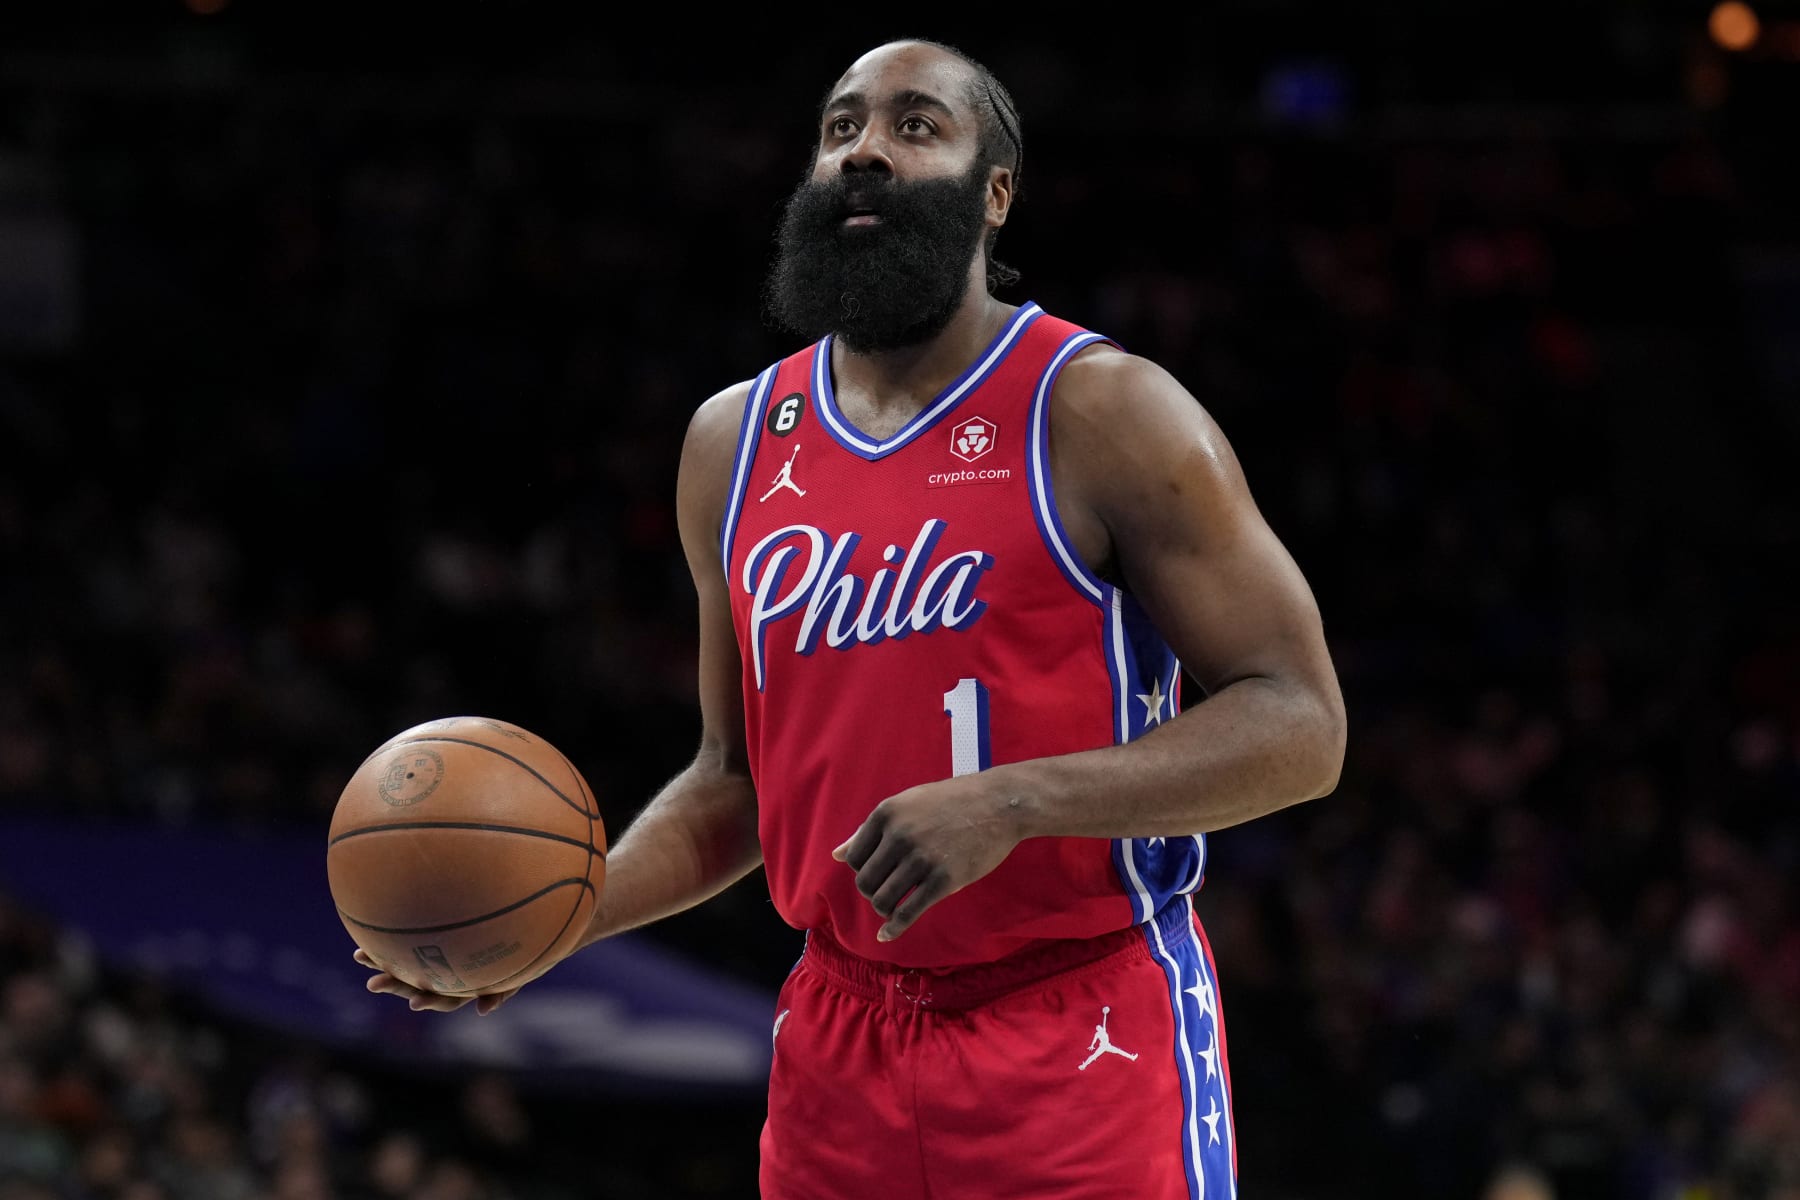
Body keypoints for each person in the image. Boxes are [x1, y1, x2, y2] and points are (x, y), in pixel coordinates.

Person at [357, 37, 1346, 1199]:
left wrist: (1017, 802)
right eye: (841, 128)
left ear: (995, 193)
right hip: (839, 1042)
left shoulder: (1104, 412)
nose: (865, 150)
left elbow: (1301, 722)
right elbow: (735, 783)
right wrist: (557, 920)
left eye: (915, 125)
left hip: (1080, 1025)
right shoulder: (731, 443)